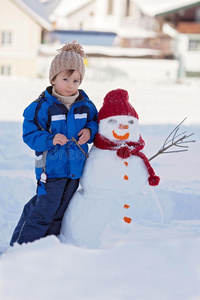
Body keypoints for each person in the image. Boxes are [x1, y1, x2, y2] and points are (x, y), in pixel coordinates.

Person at [10, 41, 98, 246]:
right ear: (53, 78)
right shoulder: (43, 107)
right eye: (65, 79)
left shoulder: (85, 105)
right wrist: (50, 140)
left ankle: (47, 247)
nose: (70, 85)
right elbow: (30, 134)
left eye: (76, 80)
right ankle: (21, 247)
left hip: (74, 170)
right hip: (50, 170)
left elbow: (95, 123)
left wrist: (89, 131)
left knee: (60, 210)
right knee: (44, 210)